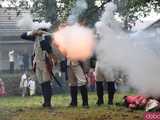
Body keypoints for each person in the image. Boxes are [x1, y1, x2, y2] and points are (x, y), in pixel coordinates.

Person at [21, 25, 57, 108]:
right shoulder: (35, 37)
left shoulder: (46, 39)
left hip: (45, 64)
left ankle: (48, 103)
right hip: (37, 64)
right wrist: (32, 32)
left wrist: (54, 61)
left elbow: (50, 53)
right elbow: (22, 36)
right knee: (42, 83)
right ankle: (45, 102)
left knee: (46, 83)